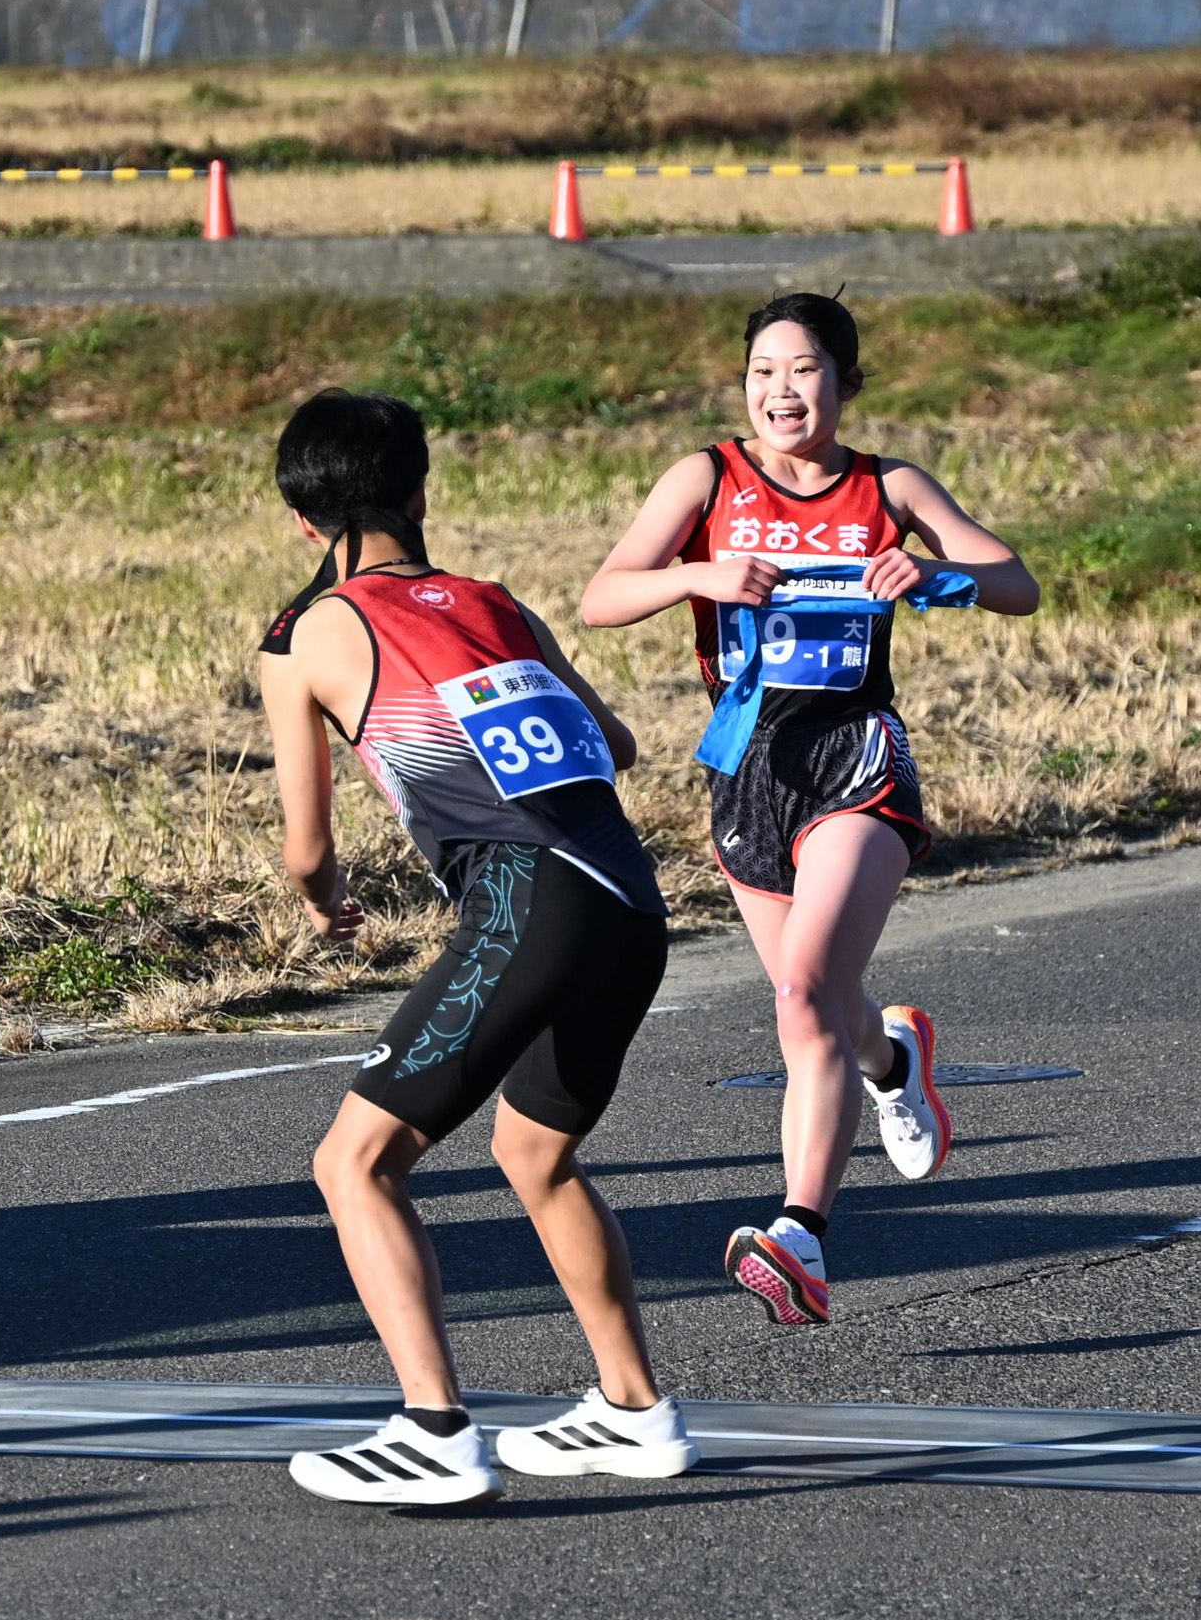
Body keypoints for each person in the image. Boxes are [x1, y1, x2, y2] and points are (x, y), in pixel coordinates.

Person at [259, 388, 698, 1507]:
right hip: (630, 903)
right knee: (535, 1154)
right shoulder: (496, 600)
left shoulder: (306, 630)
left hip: (526, 899)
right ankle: (635, 1408)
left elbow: (308, 846)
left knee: (353, 1163)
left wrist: (326, 903)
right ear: (420, 491)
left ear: (305, 522)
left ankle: (435, 1428)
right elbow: (617, 740)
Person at [581, 293, 1039, 1330]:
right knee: (824, 1008)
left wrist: (935, 572)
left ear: (845, 379)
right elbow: (601, 595)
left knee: (800, 992)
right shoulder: (707, 476)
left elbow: (1019, 582)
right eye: (762, 370)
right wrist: (700, 570)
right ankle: (895, 1058)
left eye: (802, 369)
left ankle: (801, 1234)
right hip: (748, 766)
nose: (780, 389)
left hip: (855, 758)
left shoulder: (890, 484)